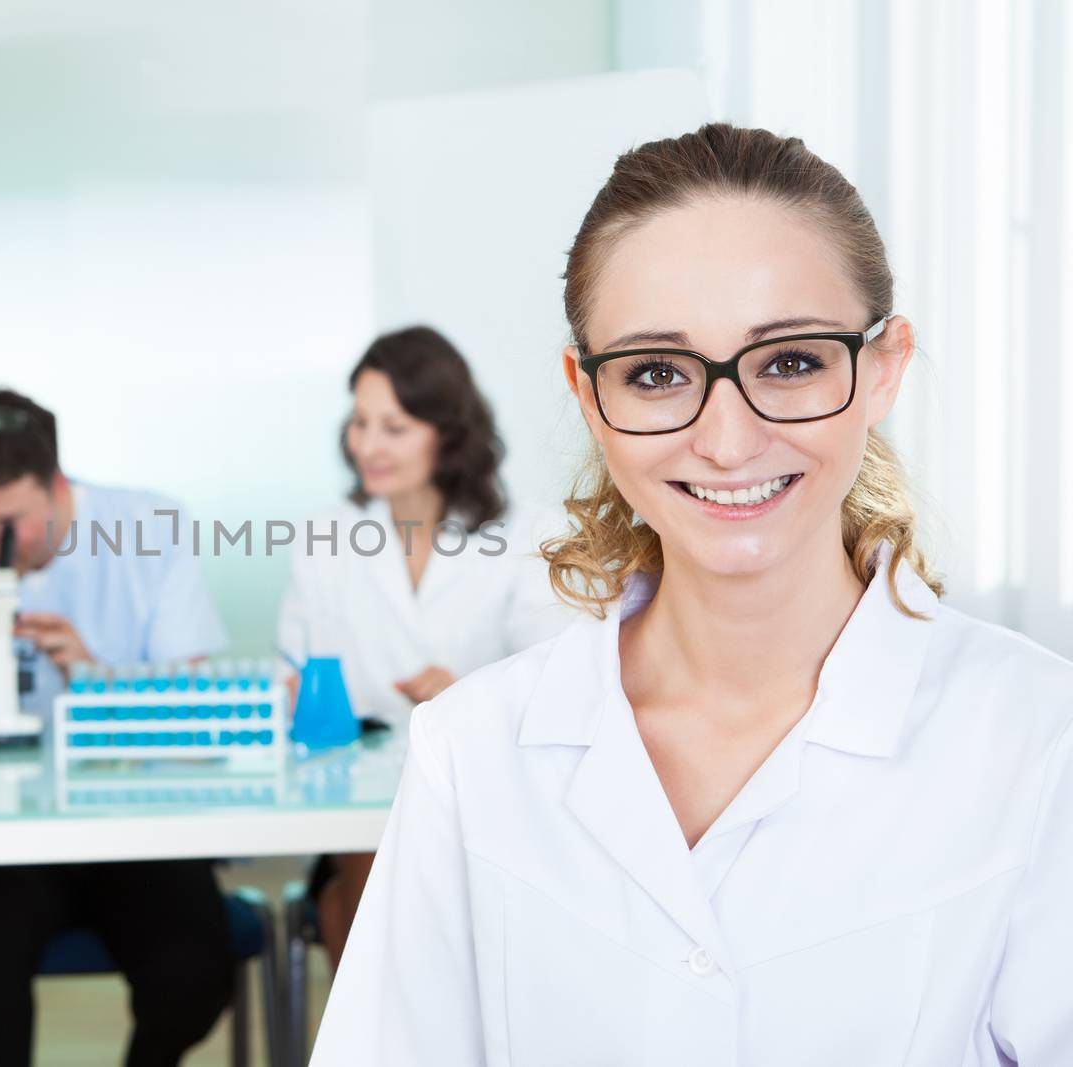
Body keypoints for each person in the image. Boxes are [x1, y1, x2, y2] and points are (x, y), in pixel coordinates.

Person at [310, 123, 1073, 1065]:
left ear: (881, 369)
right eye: (658, 373)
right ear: (588, 396)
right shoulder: (470, 756)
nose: (725, 438)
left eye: (790, 360)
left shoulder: (1039, 740)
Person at [0, 388, 233, 1067]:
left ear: (56, 486)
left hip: (136, 825)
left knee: (192, 973)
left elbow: (201, 724)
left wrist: (96, 680)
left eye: (7, 520)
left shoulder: (150, 528)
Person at [276, 325, 567, 964]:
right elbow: (292, 667)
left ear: (449, 432)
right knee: (377, 888)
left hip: (497, 805)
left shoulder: (530, 533)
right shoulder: (326, 534)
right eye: (360, 423)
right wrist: (295, 696)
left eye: (395, 427)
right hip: (363, 808)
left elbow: (562, 686)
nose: (368, 446)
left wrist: (466, 698)